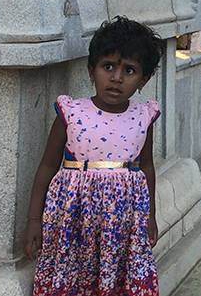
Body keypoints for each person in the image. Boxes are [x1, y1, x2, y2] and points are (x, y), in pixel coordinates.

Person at [22, 17, 164, 295]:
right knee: (75, 277)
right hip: (73, 218)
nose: (116, 77)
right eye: (107, 66)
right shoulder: (70, 113)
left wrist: (150, 215)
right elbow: (48, 166)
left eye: (130, 70)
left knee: (116, 279)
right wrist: (33, 220)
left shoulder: (143, 117)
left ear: (143, 80)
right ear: (91, 71)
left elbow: (145, 166)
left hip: (121, 223)